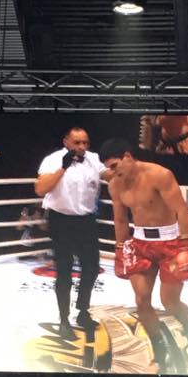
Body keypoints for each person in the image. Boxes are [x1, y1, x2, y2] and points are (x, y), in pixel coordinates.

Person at [99, 137, 188, 368]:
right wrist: (120, 247)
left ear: (128, 156)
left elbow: (181, 210)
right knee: (142, 300)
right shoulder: (115, 185)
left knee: (170, 302)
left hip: (170, 242)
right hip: (140, 243)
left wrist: (186, 243)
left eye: (115, 165)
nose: (113, 172)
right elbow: (120, 219)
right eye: (109, 168)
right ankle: (159, 349)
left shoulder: (159, 175)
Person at [35, 127, 109, 340]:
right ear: (66, 142)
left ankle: (83, 311)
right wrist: (63, 167)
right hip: (61, 220)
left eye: (85, 142)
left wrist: (123, 168)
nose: (82, 147)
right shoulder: (53, 159)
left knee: (91, 267)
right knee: (64, 271)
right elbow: (40, 189)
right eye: (77, 142)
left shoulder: (93, 158)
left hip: (86, 220)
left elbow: (109, 174)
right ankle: (64, 320)